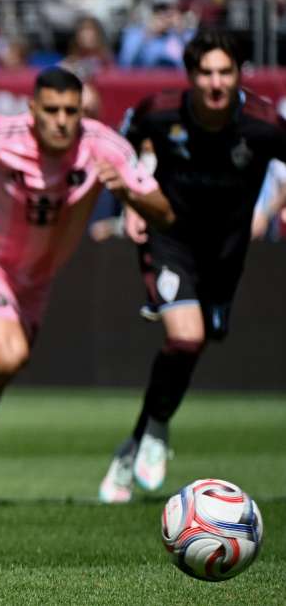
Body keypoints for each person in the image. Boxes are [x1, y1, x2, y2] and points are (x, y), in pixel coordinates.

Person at [0, 66, 175, 506]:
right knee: (8, 355)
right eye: (52, 111)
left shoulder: (102, 146)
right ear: (32, 110)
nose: (62, 121)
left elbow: (164, 210)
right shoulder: (0, 133)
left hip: (36, 282)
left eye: (71, 111)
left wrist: (131, 193)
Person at [97, 29, 286, 503]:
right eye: (206, 73)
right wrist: (133, 202)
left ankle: (133, 446)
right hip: (170, 240)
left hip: (226, 255)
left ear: (239, 74)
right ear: (191, 76)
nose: (216, 82)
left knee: (195, 347)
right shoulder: (160, 113)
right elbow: (122, 146)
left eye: (226, 72)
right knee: (186, 336)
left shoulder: (263, 123)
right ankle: (157, 430)